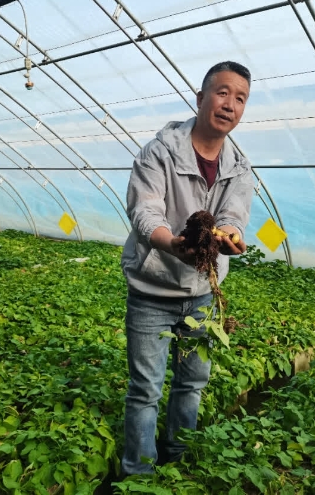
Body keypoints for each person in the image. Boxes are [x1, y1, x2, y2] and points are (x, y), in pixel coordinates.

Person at [119, 61, 255, 475]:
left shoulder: (239, 166)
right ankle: (139, 475)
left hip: (202, 296)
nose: (229, 104)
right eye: (222, 92)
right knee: (145, 389)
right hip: (153, 291)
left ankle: (178, 463)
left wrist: (230, 236)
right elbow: (145, 212)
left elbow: (232, 216)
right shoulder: (159, 152)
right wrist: (173, 245)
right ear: (200, 98)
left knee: (192, 383)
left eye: (240, 98)